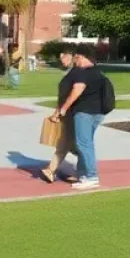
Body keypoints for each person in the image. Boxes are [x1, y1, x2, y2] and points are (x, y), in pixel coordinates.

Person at [50, 52, 108, 190]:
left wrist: (63, 109)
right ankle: (83, 174)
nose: (75, 61)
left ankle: (91, 176)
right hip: (98, 112)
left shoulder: (82, 73)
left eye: (76, 58)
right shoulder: (98, 72)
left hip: (84, 112)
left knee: (84, 144)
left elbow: (77, 90)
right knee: (86, 143)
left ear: (82, 57)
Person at [41, 49, 80, 184]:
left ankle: (51, 169)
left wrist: (58, 112)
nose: (61, 60)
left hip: (73, 112)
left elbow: (70, 96)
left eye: (63, 57)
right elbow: (63, 96)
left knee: (69, 143)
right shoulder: (70, 73)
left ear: (71, 57)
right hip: (67, 112)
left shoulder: (77, 73)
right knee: (71, 144)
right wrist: (57, 112)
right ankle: (84, 169)